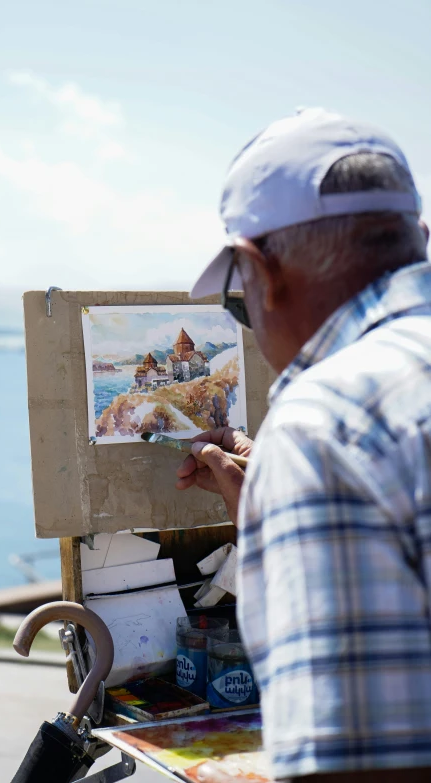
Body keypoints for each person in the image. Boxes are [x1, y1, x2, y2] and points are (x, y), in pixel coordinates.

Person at [176, 108, 431, 782]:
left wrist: (299, 480)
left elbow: (354, 767)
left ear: (263, 270)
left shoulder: (323, 425)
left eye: (236, 305)